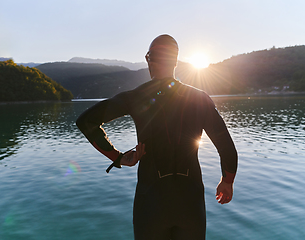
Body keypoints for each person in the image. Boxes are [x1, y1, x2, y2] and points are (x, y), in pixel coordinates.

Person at [76, 34, 238, 240]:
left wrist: (119, 158)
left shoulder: (135, 97)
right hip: (190, 202)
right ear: (175, 62)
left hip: (151, 202)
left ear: (150, 60)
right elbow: (227, 148)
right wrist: (227, 181)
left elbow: (86, 121)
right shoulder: (199, 99)